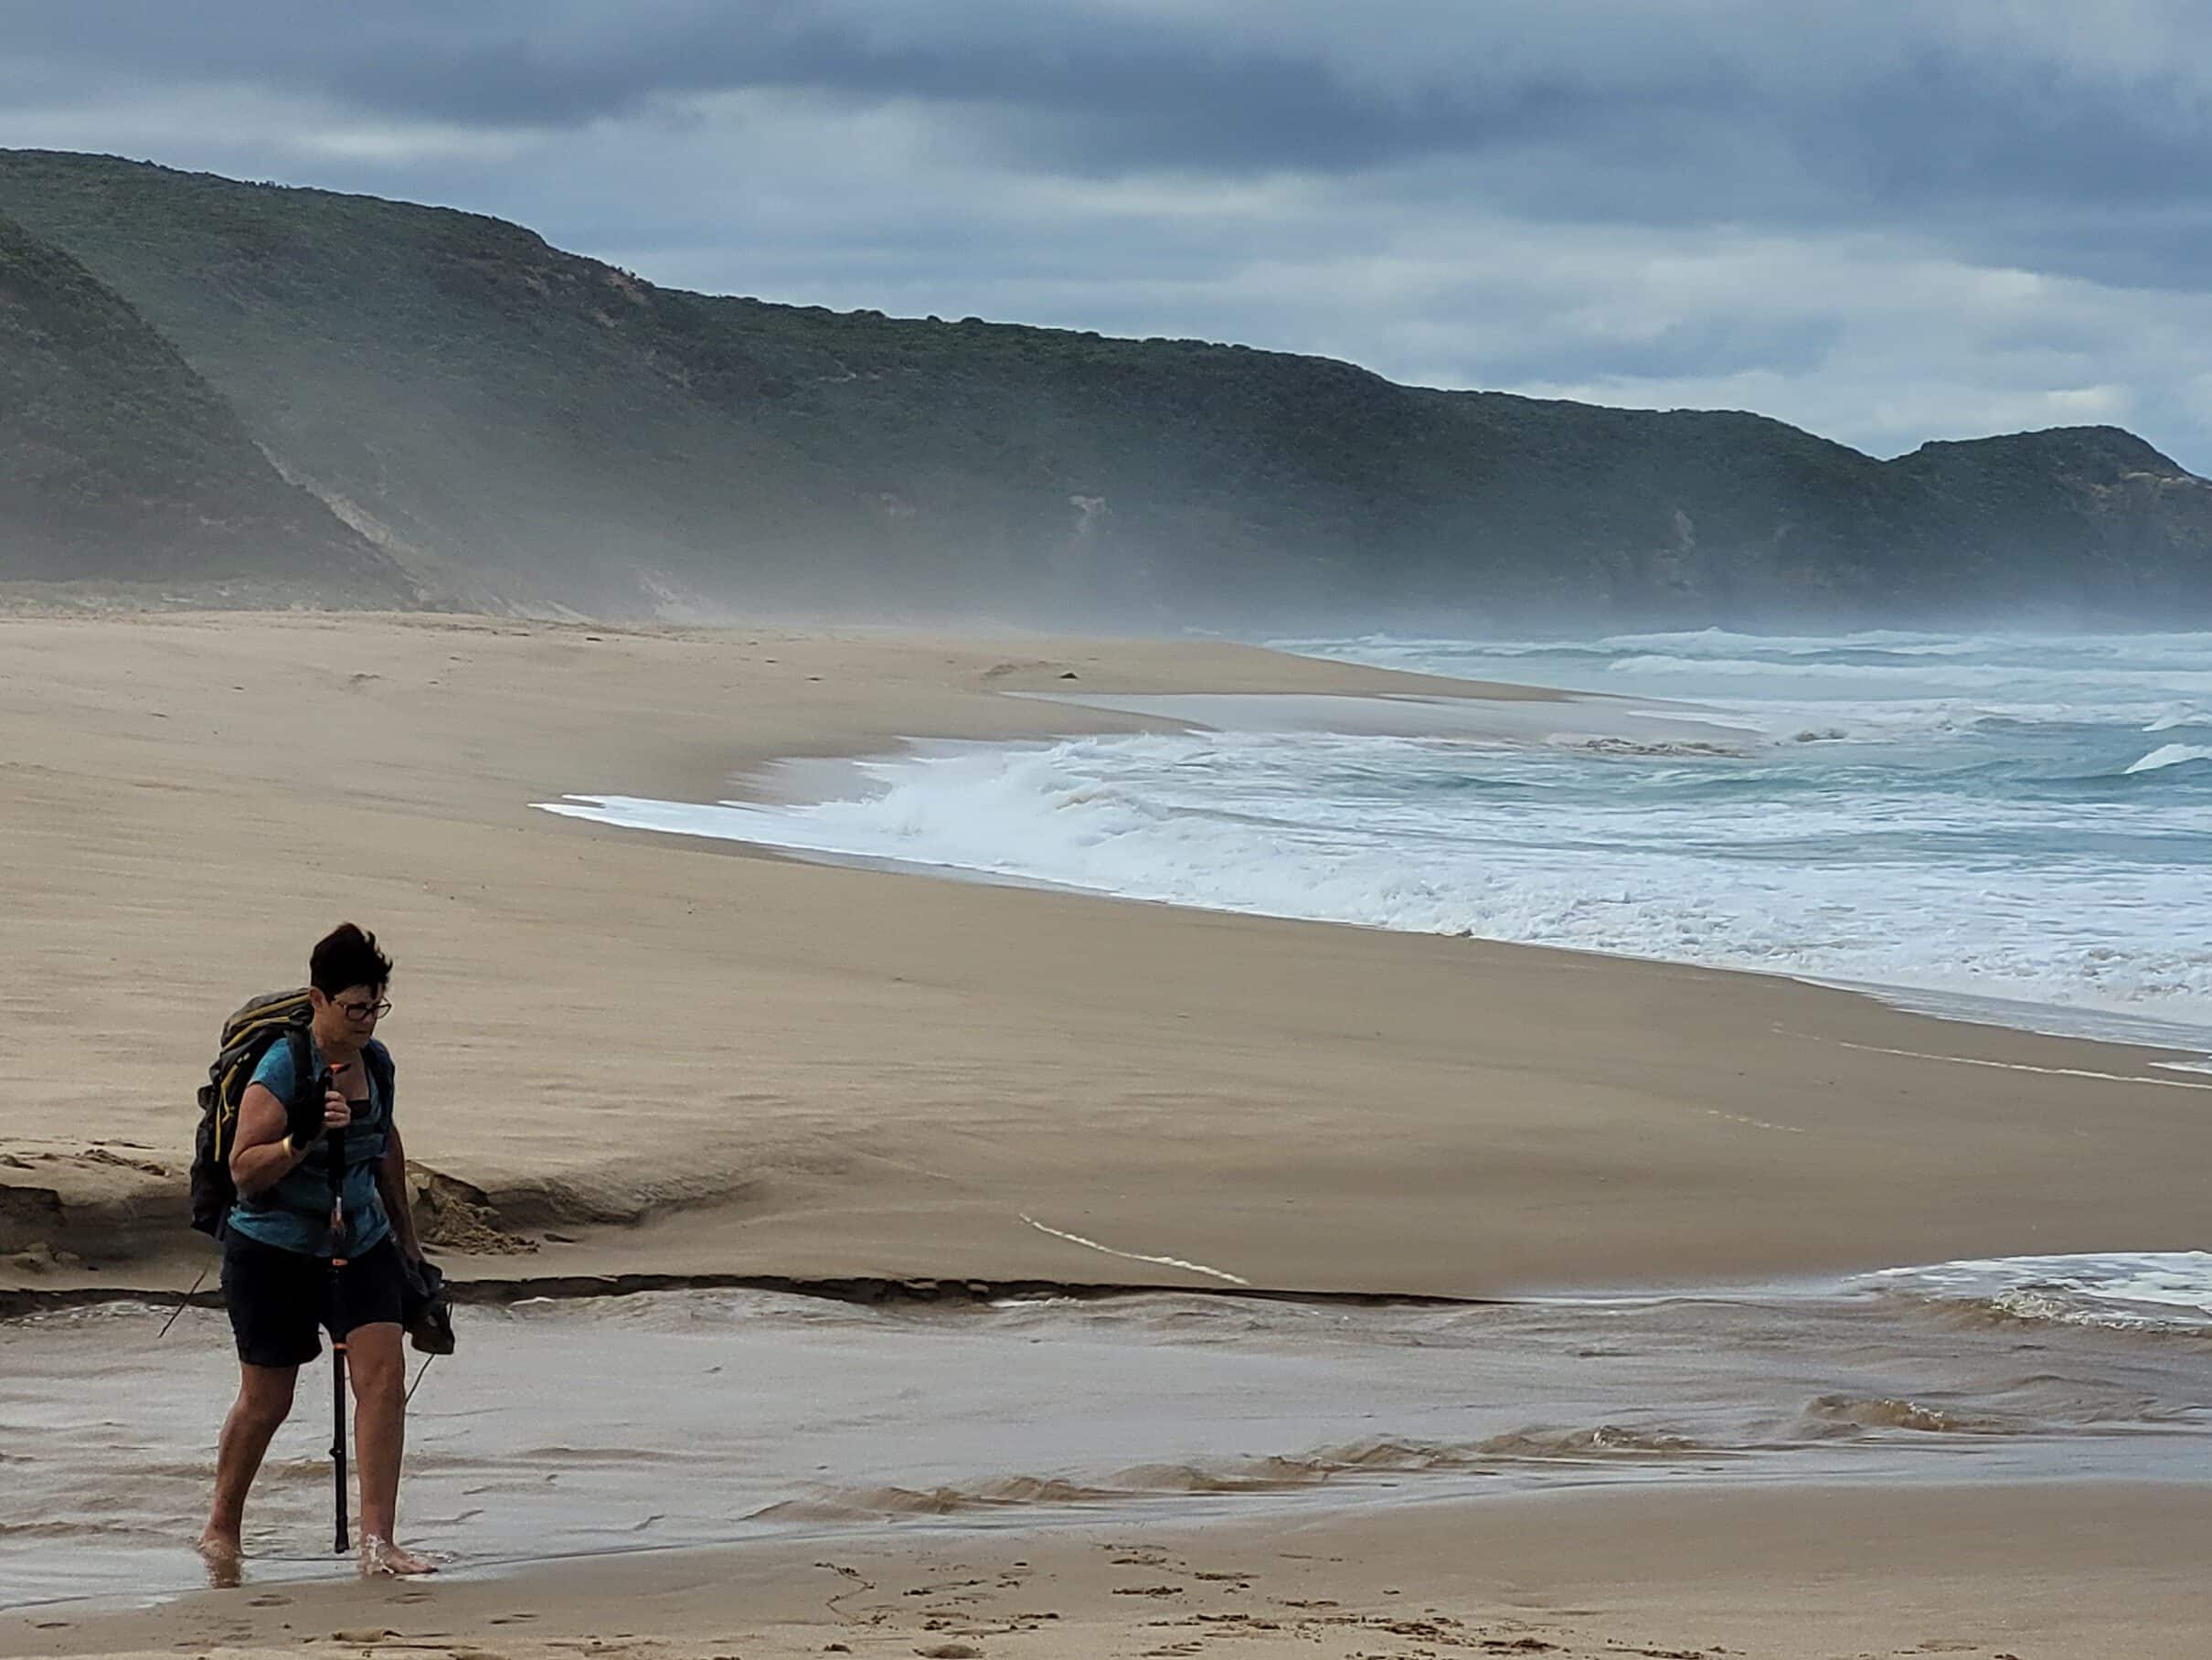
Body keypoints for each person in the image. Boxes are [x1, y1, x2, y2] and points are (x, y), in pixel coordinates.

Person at [199, 923, 436, 1579]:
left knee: (384, 1383)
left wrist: (408, 1247)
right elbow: (244, 1170)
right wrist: (296, 1141)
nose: (365, 1020)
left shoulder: (378, 1063)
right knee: (268, 1399)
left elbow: (385, 1147)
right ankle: (221, 1527)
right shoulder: (282, 1066)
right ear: (319, 999)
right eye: (355, 1007)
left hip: (359, 1241)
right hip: (272, 1247)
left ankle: (378, 1543)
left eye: (375, 1007)